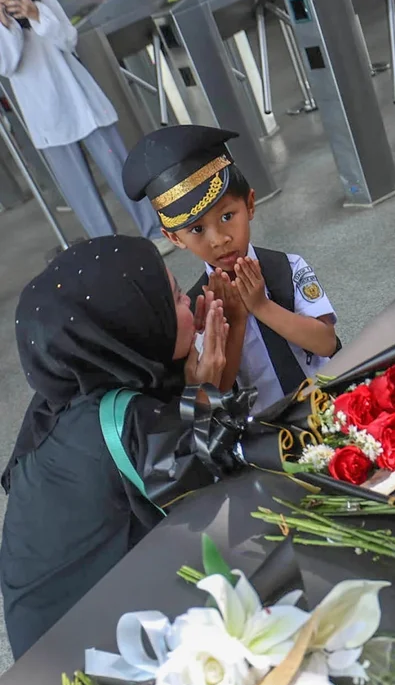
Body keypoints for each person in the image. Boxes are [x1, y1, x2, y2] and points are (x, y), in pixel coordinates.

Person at [0, 236, 231, 660]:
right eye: (177, 298)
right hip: (84, 652)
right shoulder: (119, 420)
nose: (189, 304)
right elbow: (206, 490)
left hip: (46, 632)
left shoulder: (71, 386)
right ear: (135, 326)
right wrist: (203, 393)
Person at [123, 125, 339, 414]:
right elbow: (216, 393)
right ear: (175, 238)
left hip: (329, 399)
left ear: (250, 204)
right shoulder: (195, 308)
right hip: (263, 427)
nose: (219, 240)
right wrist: (234, 324)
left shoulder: (288, 267)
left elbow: (326, 343)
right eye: (196, 229)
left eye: (227, 216)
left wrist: (261, 306)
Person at [0, 0, 173, 255]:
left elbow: (69, 39)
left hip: (81, 101)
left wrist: (36, 14)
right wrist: (8, 25)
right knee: (80, 193)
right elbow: (6, 65)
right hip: (45, 115)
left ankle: (154, 232)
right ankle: (107, 253)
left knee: (120, 170)